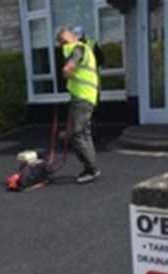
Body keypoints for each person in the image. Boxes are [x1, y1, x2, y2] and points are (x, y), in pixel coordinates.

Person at [57, 27, 100, 184]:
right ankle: (91, 167)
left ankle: (91, 169)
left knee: (78, 134)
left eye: (61, 44)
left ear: (65, 40)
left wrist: (66, 70)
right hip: (86, 97)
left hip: (82, 97)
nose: (62, 48)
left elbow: (69, 67)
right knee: (84, 133)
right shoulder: (85, 48)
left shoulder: (78, 48)